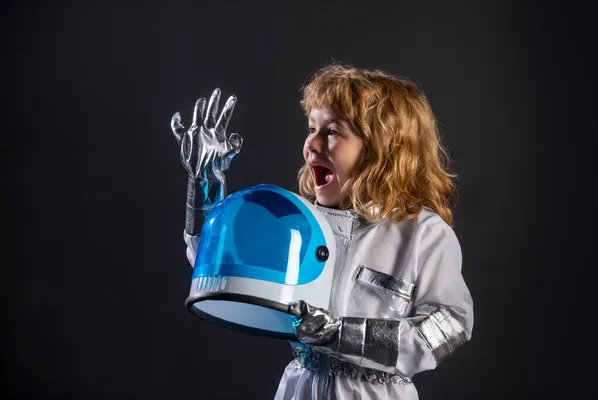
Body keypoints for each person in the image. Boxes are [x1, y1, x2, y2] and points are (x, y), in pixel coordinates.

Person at [172, 64, 474, 400]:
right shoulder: (301, 222)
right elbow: (217, 270)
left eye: (332, 132)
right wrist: (206, 184)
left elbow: (447, 327)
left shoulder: (422, 233)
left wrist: (338, 333)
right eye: (311, 128)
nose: (311, 145)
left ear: (382, 149)